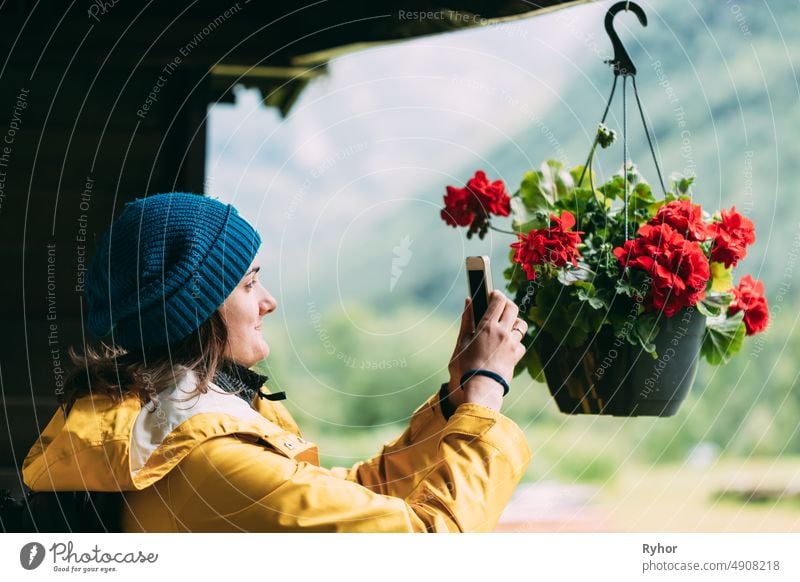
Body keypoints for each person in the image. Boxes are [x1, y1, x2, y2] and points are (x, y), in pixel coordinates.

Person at [21, 192, 532, 532]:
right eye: (248, 283)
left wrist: (454, 403)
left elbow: (347, 498)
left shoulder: (157, 413)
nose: (268, 300)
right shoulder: (211, 460)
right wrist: (486, 390)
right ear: (196, 311)